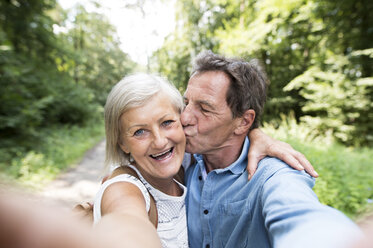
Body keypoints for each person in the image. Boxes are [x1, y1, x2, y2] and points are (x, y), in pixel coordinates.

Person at [183, 51, 361, 248]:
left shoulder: (273, 175)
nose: (184, 118)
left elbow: (299, 213)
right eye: (186, 103)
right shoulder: (179, 159)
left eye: (204, 109)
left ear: (244, 122)